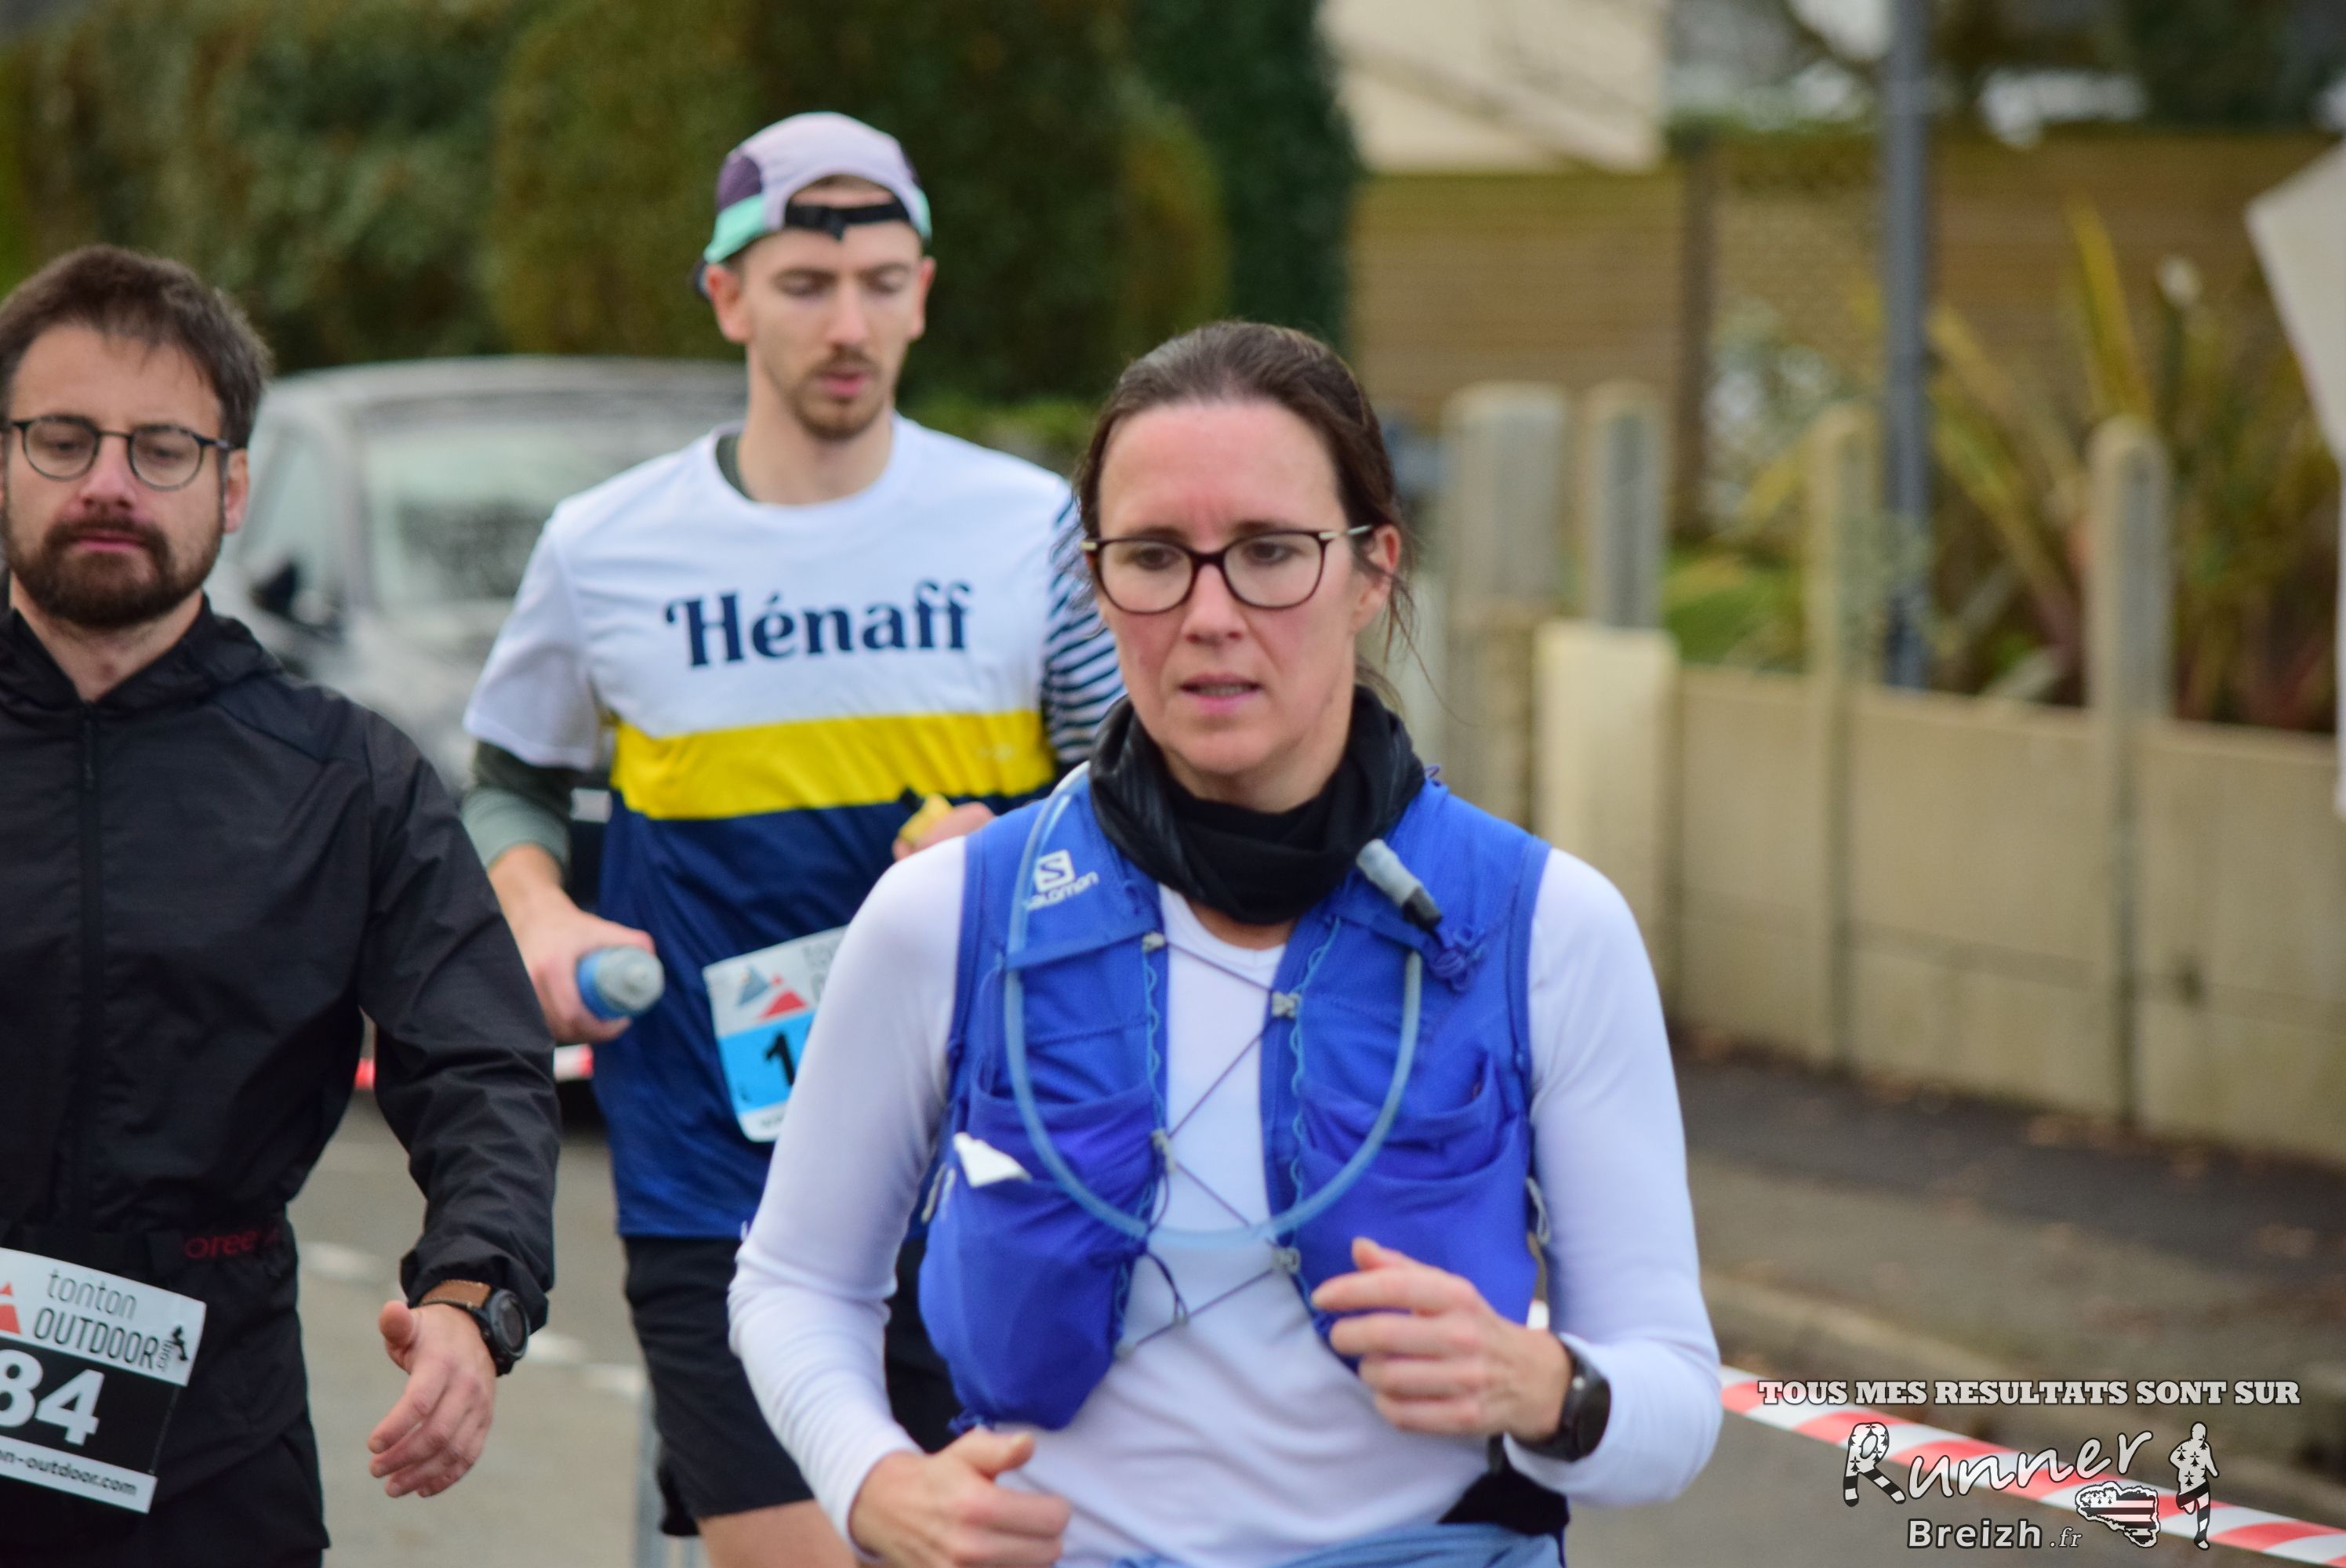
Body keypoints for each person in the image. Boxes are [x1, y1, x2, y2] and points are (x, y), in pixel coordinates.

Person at [728, 321, 1721, 1568]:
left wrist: (1549, 1387)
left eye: (1269, 554)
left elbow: (1672, 1396)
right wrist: (871, 1482)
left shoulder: (1549, 927)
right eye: (1153, 558)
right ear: (1097, 584)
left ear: (1372, 571)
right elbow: (797, 1283)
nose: (1209, 614)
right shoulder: (946, 916)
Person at [461, 111, 1122, 1567]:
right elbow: (510, 775)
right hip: (719, 1176)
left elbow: (1137, 798)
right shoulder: (607, 545)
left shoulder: (1030, 529)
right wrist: (539, 910)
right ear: (728, 296)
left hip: (994, 1169)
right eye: (807, 286)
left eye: (883, 284)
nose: (849, 325)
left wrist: (1009, 845)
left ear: (924, 293)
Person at [0, 245, 558, 1566]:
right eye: (64, 440)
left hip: (212, 1429)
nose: (109, 484)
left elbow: (480, 1062)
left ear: (235, 485)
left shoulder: (346, 779)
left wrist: (473, 1296)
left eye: (163, 449)